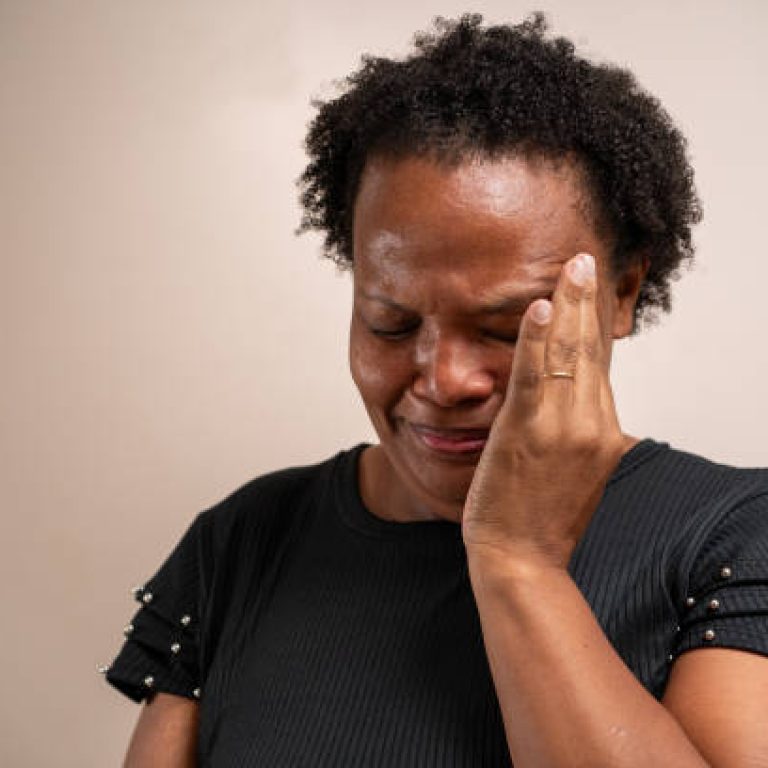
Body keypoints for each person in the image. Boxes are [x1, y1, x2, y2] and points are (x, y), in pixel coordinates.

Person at [102, 14, 768, 767]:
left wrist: (518, 563)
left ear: (620, 294)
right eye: (390, 323)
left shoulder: (734, 535)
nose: (444, 379)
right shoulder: (245, 540)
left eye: (507, 326)